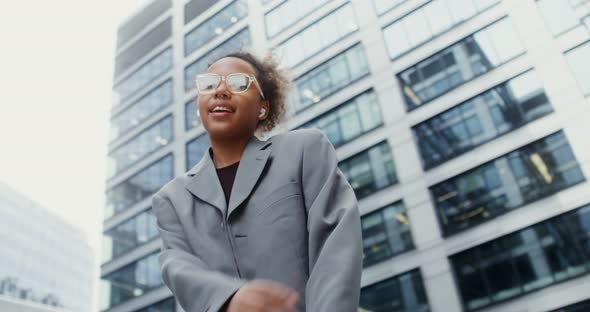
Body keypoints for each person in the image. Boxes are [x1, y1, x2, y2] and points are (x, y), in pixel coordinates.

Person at [151, 50, 363, 312]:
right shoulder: (172, 199)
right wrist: (228, 298)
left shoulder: (304, 150)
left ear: (263, 107)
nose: (220, 91)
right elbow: (176, 264)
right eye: (209, 84)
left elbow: (336, 247)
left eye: (238, 83)